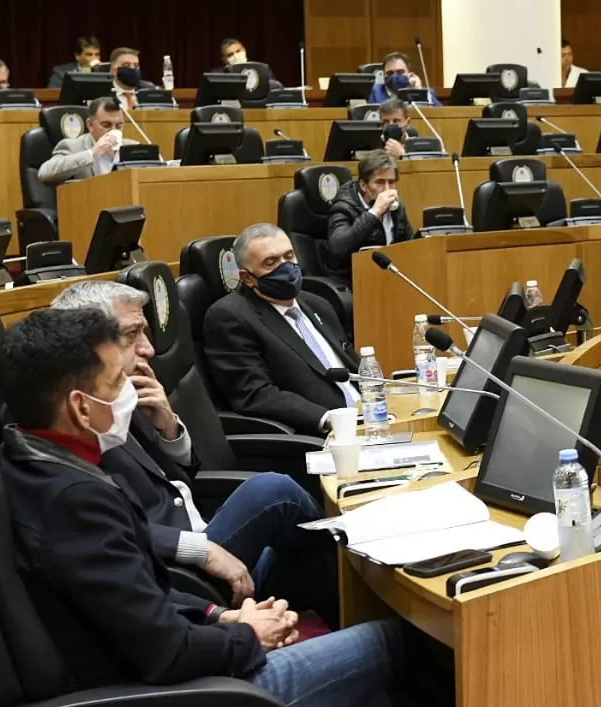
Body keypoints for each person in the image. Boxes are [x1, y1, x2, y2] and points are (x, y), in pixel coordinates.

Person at [0, 307, 459, 707]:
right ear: (79, 405)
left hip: (160, 679)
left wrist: (221, 614)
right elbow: (163, 654)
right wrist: (248, 636)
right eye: (116, 382)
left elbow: (137, 600)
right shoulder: (73, 499)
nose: (128, 390)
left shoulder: (37, 459)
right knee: (399, 639)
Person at [50, 281, 337, 623]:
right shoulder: (73, 415)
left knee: (333, 566)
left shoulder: (127, 388)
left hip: (202, 529)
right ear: (89, 343)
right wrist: (198, 549)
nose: (148, 349)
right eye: (132, 334)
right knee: (274, 492)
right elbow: (104, 526)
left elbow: (180, 480)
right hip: (178, 571)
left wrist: (168, 427)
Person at [205, 224, 362, 437]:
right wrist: (327, 419)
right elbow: (255, 394)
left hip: (369, 418)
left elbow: (349, 365)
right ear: (248, 277)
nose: (286, 267)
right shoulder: (229, 317)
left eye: (289, 257)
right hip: (326, 434)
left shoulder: (318, 304)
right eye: (271, 263)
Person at [320, 150, 413, 284]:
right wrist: (374, 212)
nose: (387, 189)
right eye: (380, 182)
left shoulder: (396, 209)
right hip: (352, 281)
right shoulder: (344, 207)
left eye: (391, 182)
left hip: (387, 277)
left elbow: (410, 245)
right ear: (363, 185)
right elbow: (338, 248)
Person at [38, 96, 139, 185]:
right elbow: (45, 173)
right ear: (90, 125)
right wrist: (92, 153)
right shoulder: (73, 146)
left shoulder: (133, 147)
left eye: (119, 126)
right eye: (106, 125)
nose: (113, 131)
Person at [369, 51, 441, 106]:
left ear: (410, 74)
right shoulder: (376, 91)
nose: (395, 76)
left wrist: (418, 91)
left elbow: (440, 114)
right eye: (390, 73)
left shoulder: (428, 92)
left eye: (400, 72)